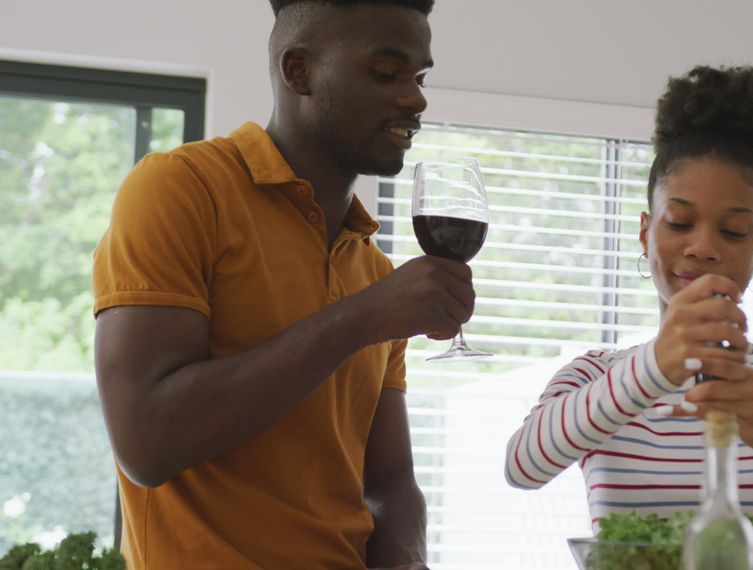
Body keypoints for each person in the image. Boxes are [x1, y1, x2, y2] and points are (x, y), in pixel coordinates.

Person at [91, 1, 471, 568]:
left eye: (419, 78)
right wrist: (361, 319)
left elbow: (390, 482)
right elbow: (147, 442)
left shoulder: (374, 272)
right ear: (300, 71)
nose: (416, 99)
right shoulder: (180, 189)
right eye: (385, 74)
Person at [504, 65, 753, 527]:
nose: (703, 248)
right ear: (645, 233)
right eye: (678, 222)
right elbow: (521, 467)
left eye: (733, 231)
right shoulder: (596, 374)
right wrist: (654, 367)